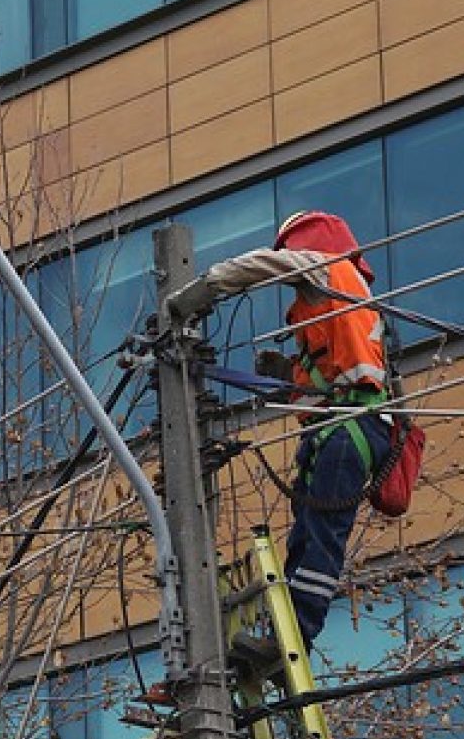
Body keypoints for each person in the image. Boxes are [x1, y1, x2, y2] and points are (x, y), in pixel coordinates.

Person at [167, 211, 392, 650]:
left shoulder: (329, 270)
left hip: (349, 429)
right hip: (341, 428)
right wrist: (289, 374)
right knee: (306, 535)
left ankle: (297, 636)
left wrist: (205, 288)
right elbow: (337, 376)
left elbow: (264, 266)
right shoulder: (345, 302)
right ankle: (281, 634)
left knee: (322, 535)